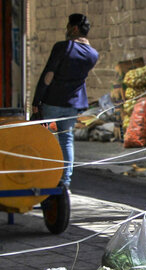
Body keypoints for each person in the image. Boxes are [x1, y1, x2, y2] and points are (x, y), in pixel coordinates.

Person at [32, 13, 99, 188]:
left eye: (68, 26)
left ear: (74, 28)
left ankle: (44, 177)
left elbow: (48, 76)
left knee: (45, 139)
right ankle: (65, 181)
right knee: (66, 140)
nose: (66, 29)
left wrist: (36, 100)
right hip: (73, 104)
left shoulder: (63, 47)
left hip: (52, 101)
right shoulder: (93, 54)